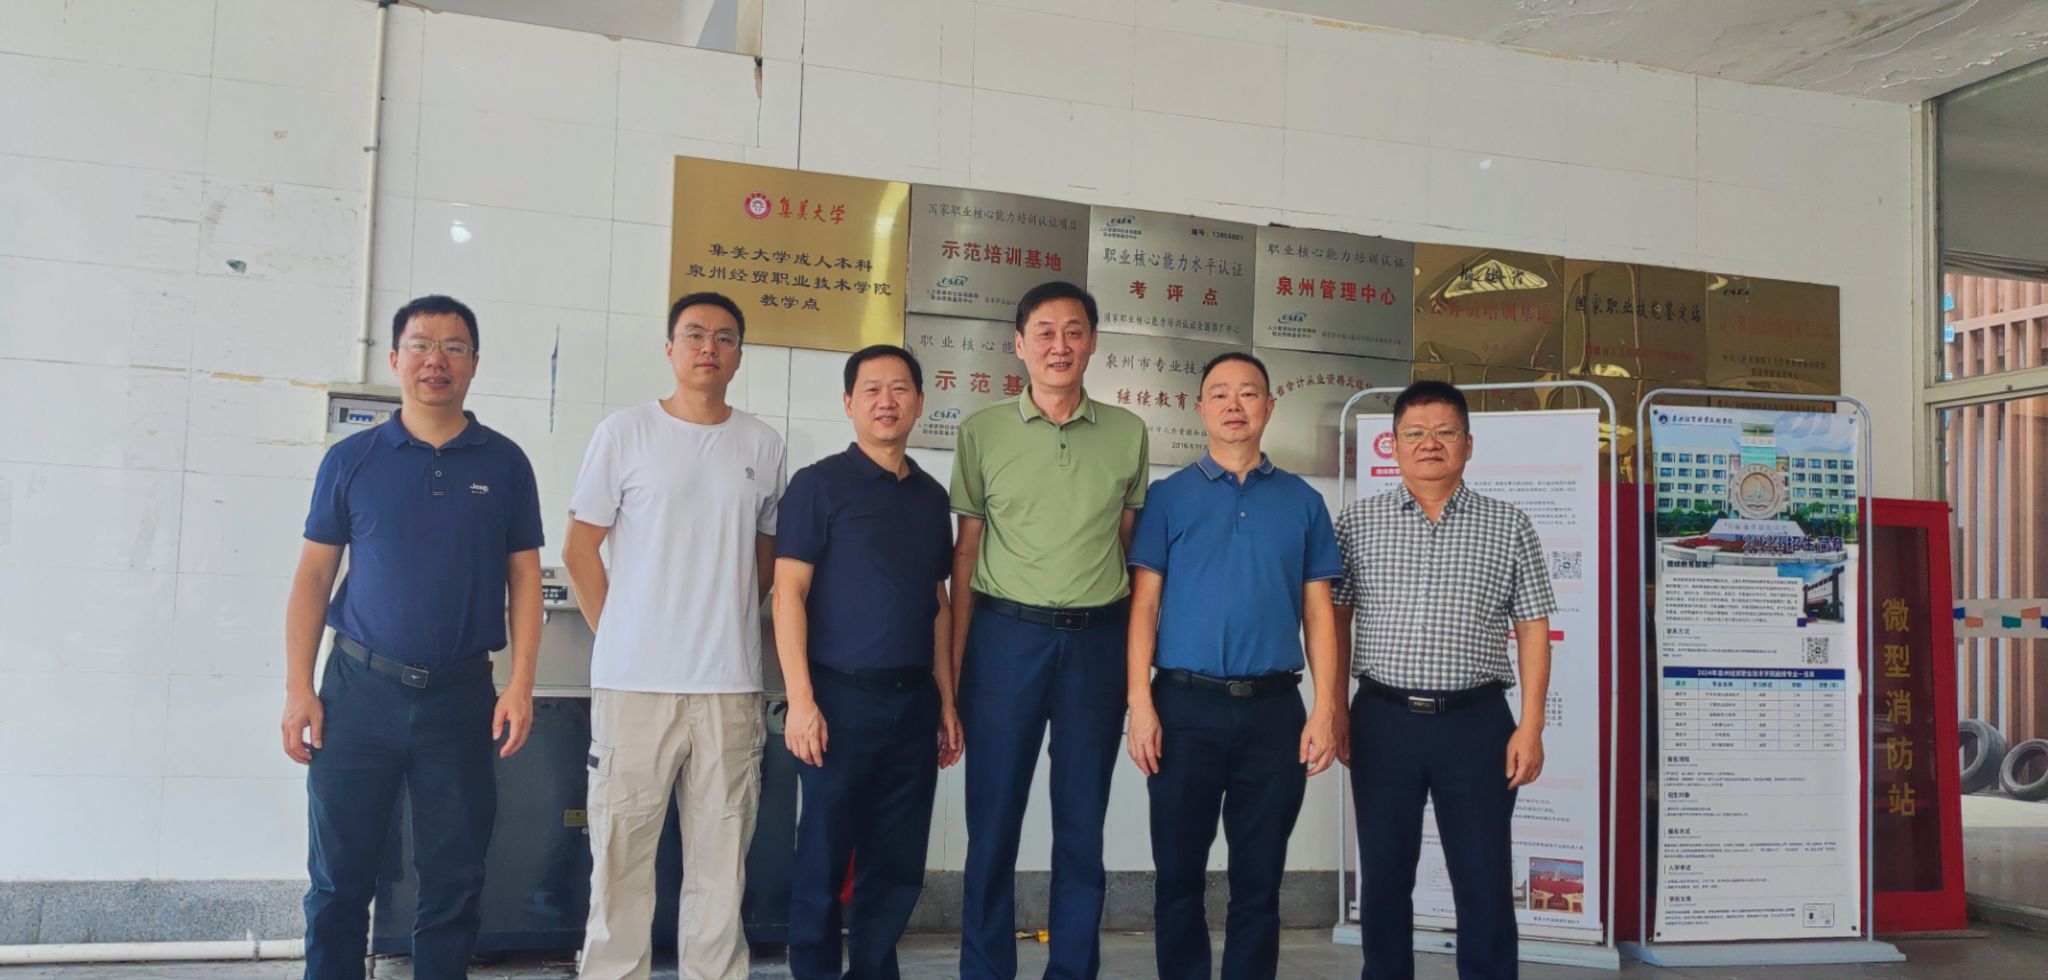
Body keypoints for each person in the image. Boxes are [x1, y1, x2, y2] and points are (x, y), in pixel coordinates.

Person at [282, 294, 544, 980]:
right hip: (356, 694)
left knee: (454, 879)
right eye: (422, 345)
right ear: (396, 359)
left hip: (461, 697)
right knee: (339, 879)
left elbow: (524, 581)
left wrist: (521, 684)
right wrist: (298, 689)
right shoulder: (352, 459)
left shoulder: (506, 463)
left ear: (474, 363)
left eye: (454, 347)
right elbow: (314, 576)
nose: (437, 360)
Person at [563, 292, 786, 980]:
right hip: (634, 687)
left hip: (729, 688)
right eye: (694, 335)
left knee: (722, 867)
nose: (708, 348)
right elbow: (579, 549)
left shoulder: (762, 444)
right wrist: (621, 632)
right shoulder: (624, 433)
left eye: (724, 337)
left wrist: (724, 618)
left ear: (739, 355)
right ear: (669, 348)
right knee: (620, 863)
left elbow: (764, 558)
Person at [950, 280, 1149, 980]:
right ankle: (985, 970)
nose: (1058, 345)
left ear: (1091, 342)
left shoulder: (1127, 432)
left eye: (1073, 331)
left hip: (1095, 644)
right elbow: (966, 554)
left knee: (1082, 825)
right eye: (1044, 331)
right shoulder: (982, 431)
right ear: (1019, 344)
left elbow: (1127, 546)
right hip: (1006, 641)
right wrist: (956, 672)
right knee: (992, 823)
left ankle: (1072, 969)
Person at [1125, 352, 1347, 980]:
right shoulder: (1167, 497)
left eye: (1248, 393)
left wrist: (1326, 710)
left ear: (1269, 407)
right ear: (1199, 408)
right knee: (1178, 875)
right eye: (1219, 393)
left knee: (1259, 880)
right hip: (1183, 706)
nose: (1233, 405)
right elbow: (1144, 607)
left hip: (1274, 712)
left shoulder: (1303, 501)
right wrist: (1140, 703)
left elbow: (1319, 613)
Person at [1334, 381, 1556, 980]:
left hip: (1476, 725)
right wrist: (1334, 709)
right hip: (1383, 720)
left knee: (1483, 878)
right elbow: (1334, 619)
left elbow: (1533, 627)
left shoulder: (1508, 525)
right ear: (1393, 443)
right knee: (1384, 876)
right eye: (1415, 432)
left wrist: (1531, 727)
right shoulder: (1356, 522)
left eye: (1445, 432)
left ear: (1468, 444)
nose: (1429, 443)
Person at [773, 345, 963, 980]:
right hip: (839, 700)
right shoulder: (818, 484)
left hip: (913, 702)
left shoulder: (931, 497)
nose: (887, 401)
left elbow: (937, 603)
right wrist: (801, 701)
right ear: (849, 403)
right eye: (872, 389)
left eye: (900, 388)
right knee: (824, 855)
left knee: (897, 861)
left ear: (920, 403)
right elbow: (788, 594)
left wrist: (947, 699)